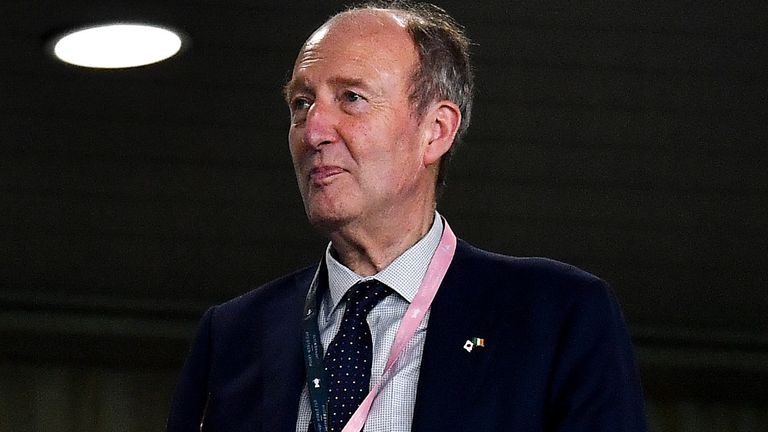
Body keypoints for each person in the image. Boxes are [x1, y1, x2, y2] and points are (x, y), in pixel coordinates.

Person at [167, 2, 647, 432]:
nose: (313, 130)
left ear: (435, 131)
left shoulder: (556, 316)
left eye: (351, 97)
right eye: (301, 103)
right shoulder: (232, 336)